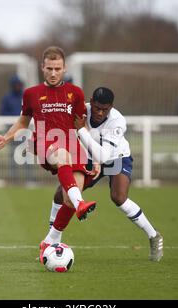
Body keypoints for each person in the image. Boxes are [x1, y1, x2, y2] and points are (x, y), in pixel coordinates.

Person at [0, 46, 97, 262]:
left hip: (72, 143)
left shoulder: (75, 93)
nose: (53, 73)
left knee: (69, 196)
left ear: (64, 68)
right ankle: (80, 204)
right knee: (61, 156)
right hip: (45, 142)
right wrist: (6, 138)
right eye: (49, 68)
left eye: (57, 68)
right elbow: (23, 121)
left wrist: (93, 156)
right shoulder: (31, 93)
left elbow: (81, 126)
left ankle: (50, 240)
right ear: (42, 68)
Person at [45, 87, 163, 262]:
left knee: (118, 198)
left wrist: (82, 131)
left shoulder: (117, 121)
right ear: (91, 101)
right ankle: (52, 242)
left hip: (117, 158)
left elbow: (104, 155)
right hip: (91, 158)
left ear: (111, 107)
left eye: (105, 109)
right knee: (62, 194)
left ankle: (154, 236)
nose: (100, 113)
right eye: (97, 107)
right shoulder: (82, 110)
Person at [0, 75, 37, 186]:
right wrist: (15, 121)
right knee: (12, 155)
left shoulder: (26, 97)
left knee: (27, 154)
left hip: (26, 131)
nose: (17, 87)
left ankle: (30, 179)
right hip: (12, 131)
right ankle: (13, 179)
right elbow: (2, 113)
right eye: (15, 85)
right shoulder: (7, 98)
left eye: (18, 84)